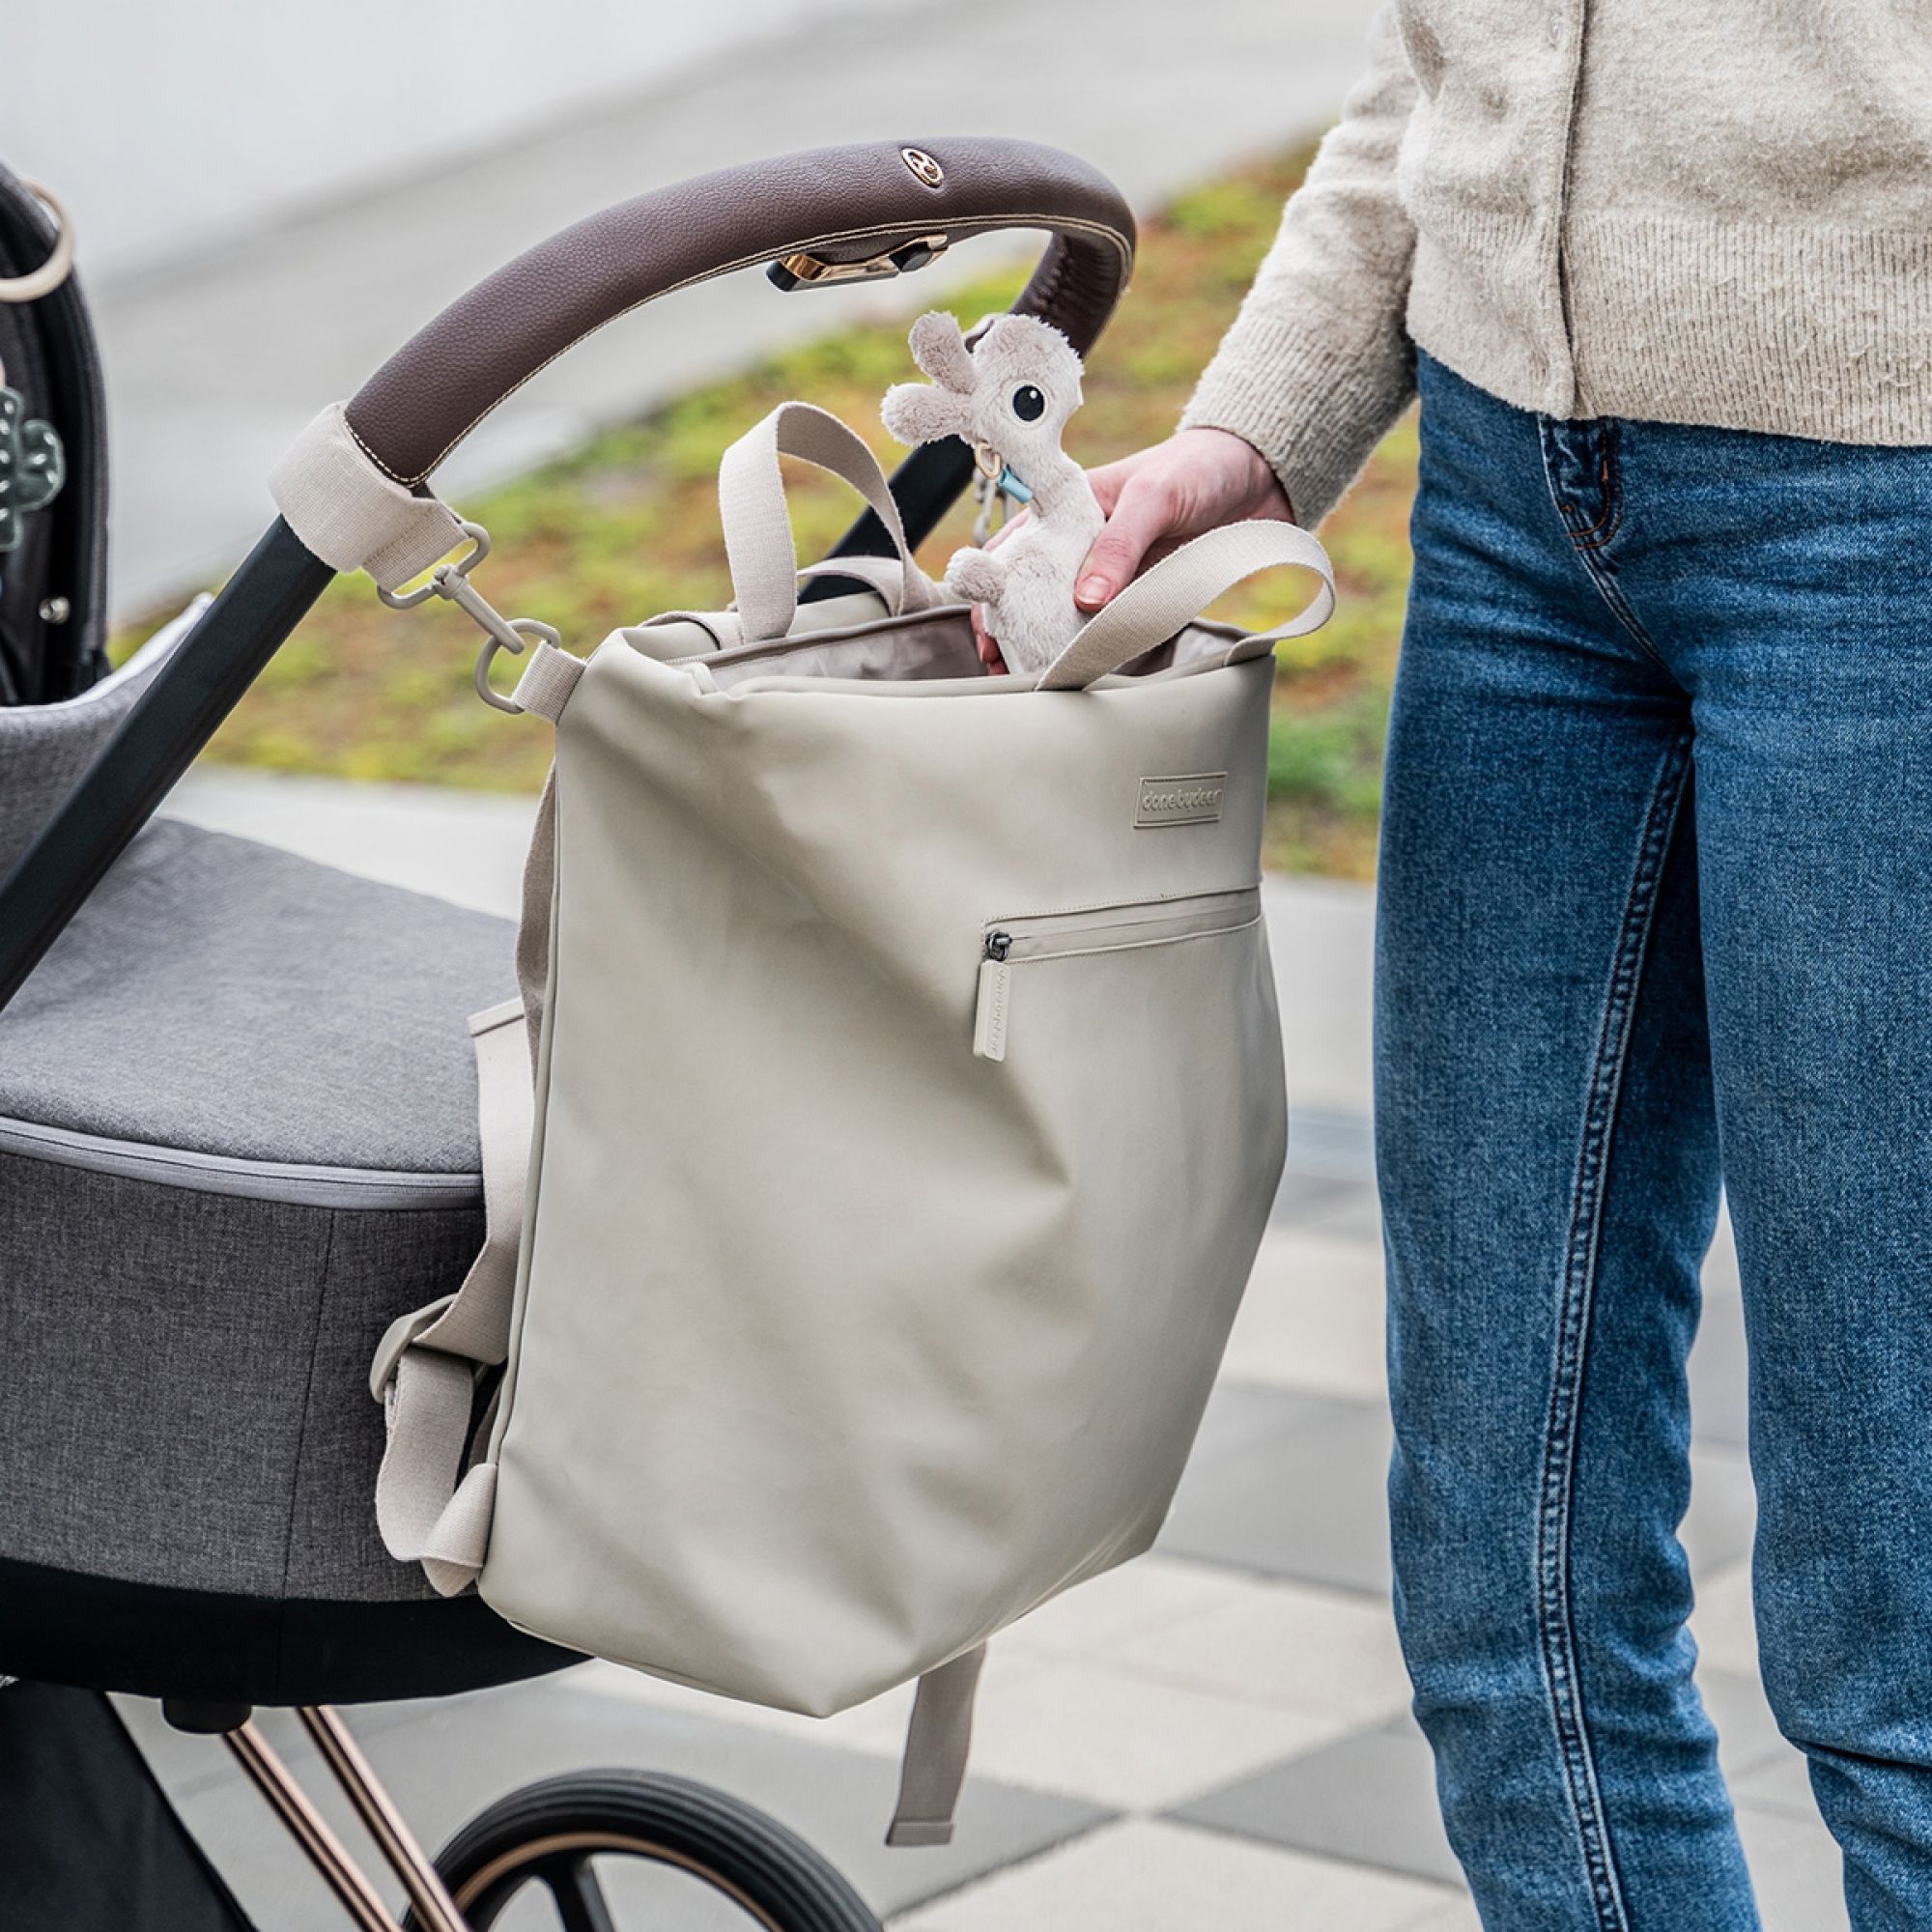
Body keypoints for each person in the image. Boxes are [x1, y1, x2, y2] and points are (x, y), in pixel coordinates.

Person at [973, 7, 1932, 1926]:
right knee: (1506, 1571)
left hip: (1884, 521)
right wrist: (1263, 427)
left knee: (1890, 1625)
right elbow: (1449, 62)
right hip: (1515, 528)